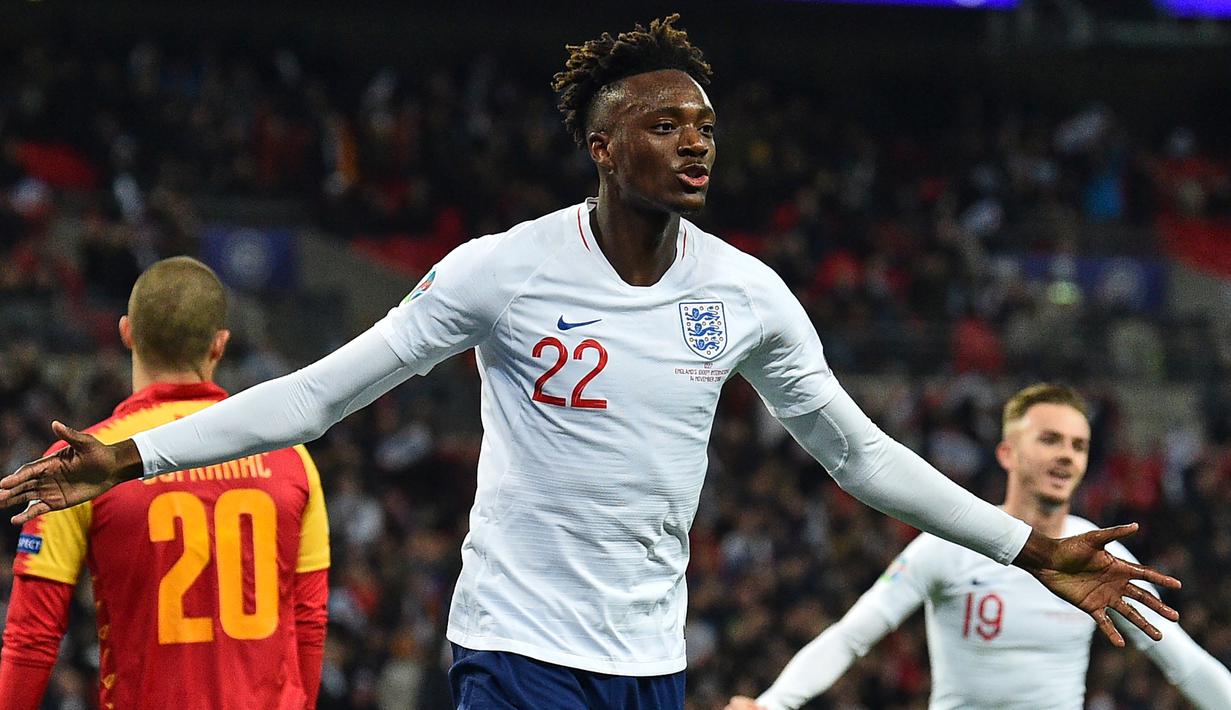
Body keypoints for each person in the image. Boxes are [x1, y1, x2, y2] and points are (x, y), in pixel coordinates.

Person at [0, 16, 1179, 710]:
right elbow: (317, 394)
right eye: (666, 124)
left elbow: (861, 457)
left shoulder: (744, 291)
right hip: (513, 646)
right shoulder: (499, 272)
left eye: (705, 125)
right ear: (603, 144)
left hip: (650, 658)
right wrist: (128, 453)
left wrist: (1028, 543)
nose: (695, 141)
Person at [726, 384, 1231, 710]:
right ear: (1007, 452)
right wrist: (776, 704)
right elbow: (853, 636)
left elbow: (1182, 662)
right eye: (1050, 439)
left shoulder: (1101, 558)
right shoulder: (948, 545)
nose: (1066, 456)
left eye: (1078, 445)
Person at [0, 257, 330, 710]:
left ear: (126, 333)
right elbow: (309, 621)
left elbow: (32, 638)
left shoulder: (81, 466)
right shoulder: (292, 460)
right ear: (219, 345)